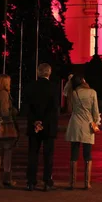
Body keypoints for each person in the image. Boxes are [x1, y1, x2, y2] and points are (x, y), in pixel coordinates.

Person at [25, 63, 59, 191]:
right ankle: (46, 181)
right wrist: (43, 122)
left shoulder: (30, 86)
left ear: (38, 72)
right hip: (48, 127)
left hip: (33, 127)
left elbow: (27, 107)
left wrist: (36, 122)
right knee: (48, 155)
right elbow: (54, 109)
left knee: (33, 154)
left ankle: (31, 182)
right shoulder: (54, 87)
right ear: (49, 73)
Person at [64, 74, 100, 190]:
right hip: (87, 125)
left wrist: (69, 81)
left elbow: (65, 92)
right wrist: (96, 122)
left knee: (74, 153)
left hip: (74, 124)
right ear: (83, 81)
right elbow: (95, 111)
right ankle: (86, 183)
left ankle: (72, 183)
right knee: (87, 154)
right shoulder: (92, 92)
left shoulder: (73, 93)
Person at [0, 74, 19, 188]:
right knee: (7, 152)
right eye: (8, 81)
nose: (9, 83)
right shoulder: (4, 94)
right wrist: (14, 111)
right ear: (4, 82)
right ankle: (7, 179)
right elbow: (5, 111)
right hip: (6, 126)